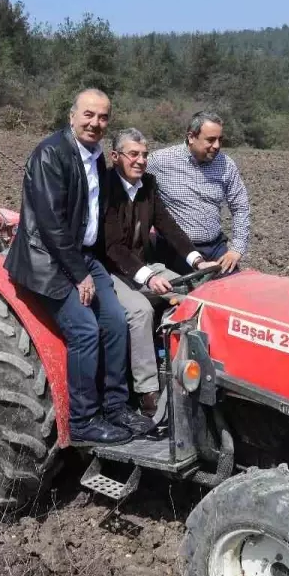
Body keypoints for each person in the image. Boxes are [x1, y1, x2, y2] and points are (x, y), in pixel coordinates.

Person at [3, 88, 154, 446]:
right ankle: (84, 420)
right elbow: (51, 223)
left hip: (82, 256)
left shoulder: (96, 156)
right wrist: (80, 273)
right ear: (72, 116)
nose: (95, 123)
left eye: (103, 117)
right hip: (48, 260)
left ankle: (115, 406)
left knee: (117, 321)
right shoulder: (50, 155)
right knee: (85, 330)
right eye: (89, 115)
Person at [102, 128, 217, 417]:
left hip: (141, 266)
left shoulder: (148, 185)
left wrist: (196, 261)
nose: (141, 161)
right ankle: (147, 392)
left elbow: (167, 225)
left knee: (194, 291)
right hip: (111, 270)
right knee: (140, 310)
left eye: (144, 155)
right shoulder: (105, 187)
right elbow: (112, 247)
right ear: (116, 157)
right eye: (133, 155)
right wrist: (150, 278)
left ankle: (193, 369)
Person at [146, 111, 250, 275]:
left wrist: (236, 249)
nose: (216, 145)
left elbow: (240, 207)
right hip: (176, 250)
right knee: (190, 297)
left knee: (233, 291)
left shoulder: (226, 165)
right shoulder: (160, 161)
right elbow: (130, 186)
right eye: (210, 140)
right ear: (191, 137)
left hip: (216, 247)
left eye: (220, 139)